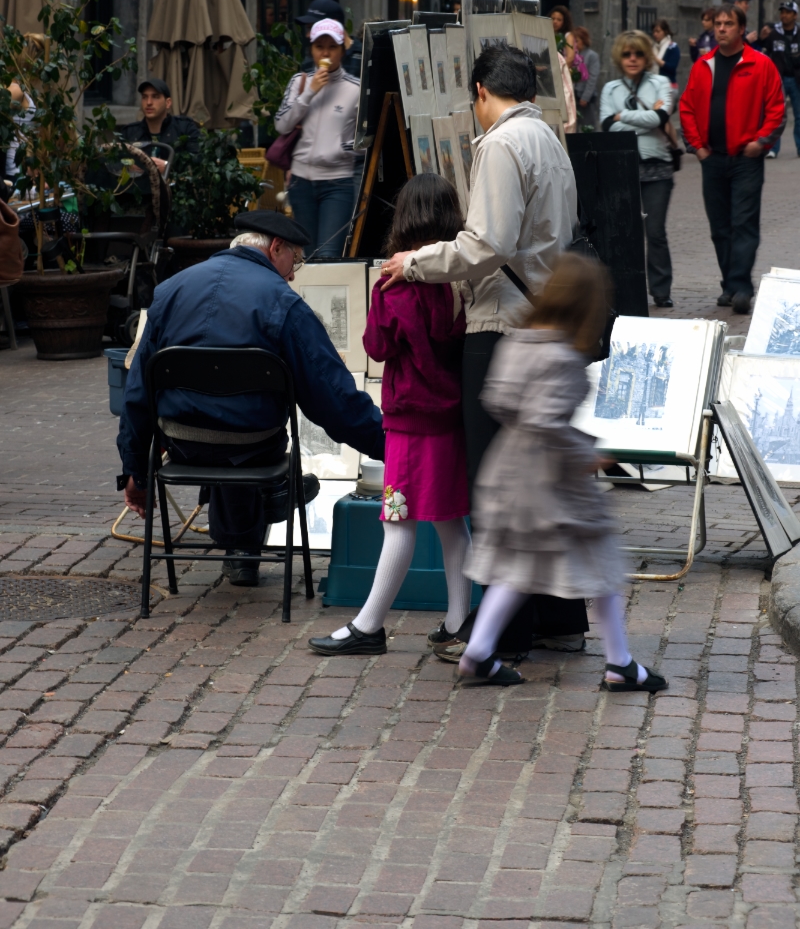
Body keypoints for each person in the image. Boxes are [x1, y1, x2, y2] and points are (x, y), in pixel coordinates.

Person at [381, 45, 588, 655]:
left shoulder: (500, 143)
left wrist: (415, 263)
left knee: (497, 483)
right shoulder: (549, 139)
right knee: (535, 479)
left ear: (479, 93)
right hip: (543, 319)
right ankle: (556, 619)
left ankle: (505, 630)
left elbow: (487, 243)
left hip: (501, 325)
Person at [118, 210, 384, 587]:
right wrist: (388, 444)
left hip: (182, 444)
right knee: (243, 429)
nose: (293, 273)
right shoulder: (282, 301)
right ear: (276, 248)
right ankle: (270, 503)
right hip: (254, 445)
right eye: (296, 260)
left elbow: (137, 394)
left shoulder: (171, 289)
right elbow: (334, 399)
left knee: (217, 417)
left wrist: (135, 471)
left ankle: (243, 546)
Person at [456, 253, 667, 693]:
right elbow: (545, 421)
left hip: (508, 470)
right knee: (602, 563)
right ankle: (620, 662)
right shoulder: (562, 358)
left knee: (518, 567)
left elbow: (500, 402)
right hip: (550, 481)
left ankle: (478, 653)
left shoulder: (516, 341)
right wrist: (587, 453)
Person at [308, 174, 473, 657]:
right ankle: (458, 619)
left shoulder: (393, 283)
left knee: (397, 520)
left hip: (407, 418)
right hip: (452, 416)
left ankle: (369, 624)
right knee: (449, 520)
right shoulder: (460, 276)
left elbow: (377, 346)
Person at [679, 4, 785, 315]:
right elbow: (686, 108)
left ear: (741, 29)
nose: (721, 28)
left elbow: (776, 110)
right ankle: (729, 284)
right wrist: (696, 147)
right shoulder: (703, 66)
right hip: (712, 158)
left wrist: (761, 142)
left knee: (744, 224)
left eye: (728, 23)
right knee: (720, 228)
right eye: (718, 24)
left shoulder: (761, 64)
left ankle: (741, 287)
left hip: (746, 159)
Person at [600, 31, 676, 309]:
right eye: (627, 54)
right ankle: (626, 290)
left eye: (639, 54)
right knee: (626, 233)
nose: (633, 59)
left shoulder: (660, 83)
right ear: (619, 58)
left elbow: (662, 116)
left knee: (655, 231)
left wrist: (623, 116)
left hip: (658, 170)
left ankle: (661, 290)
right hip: (623, 167)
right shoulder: (610, 89)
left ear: (646, 56)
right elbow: (607, 126)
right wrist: (646, 119)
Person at [274, 18, 361, 258]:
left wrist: (343, 148)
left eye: (332, 47)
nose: (325, 52)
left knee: (329, 255)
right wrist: (310, 92)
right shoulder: (300, 82)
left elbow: (366, 140)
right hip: (301, 182)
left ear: (342, 50)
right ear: (311, 49)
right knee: (305, 255)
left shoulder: (355, 89)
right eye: (319, 46)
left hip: (337, 183)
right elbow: (282, 125)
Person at [122, 79, 200, 171]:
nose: (149, 102)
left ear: (168, 103)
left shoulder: (185, 127)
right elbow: (115, 162)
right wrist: (128, 166)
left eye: (155, 97)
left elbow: (198, 162)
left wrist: (168, 167)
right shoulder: (129, 132)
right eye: (144, 97)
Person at [758, 0, 800, 158]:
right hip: (778, 80)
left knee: (799, 115)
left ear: (795, 15)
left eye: (788, 12)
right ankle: (773, 148)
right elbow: (763, 51)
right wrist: (762, 39)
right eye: (782, 12)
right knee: (775, 115)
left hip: (797, 80)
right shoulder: (773, 33)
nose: (784, 15)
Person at [296, 0, 363, 79]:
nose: (308, 35)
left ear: (334, 24)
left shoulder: (364, 56)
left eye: (313, 27)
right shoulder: (310, 61)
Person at [573, 26, 600, 130]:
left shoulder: (592, 56)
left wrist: (585, 97)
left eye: (577, 41)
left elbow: (593, 77)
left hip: (585, 98)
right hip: (574, 95)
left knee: (588, 126)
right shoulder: (573, 55)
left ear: (584, 41)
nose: (575, 44)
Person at [651, 19, 681, 92]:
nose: (655, 34)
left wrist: (656, 59)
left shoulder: (672, 47)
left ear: (665, 32)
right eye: (654, 31)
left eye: (658, 31)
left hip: (669, 86)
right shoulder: (653, 47)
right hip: (654, 86)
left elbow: (672, 67)